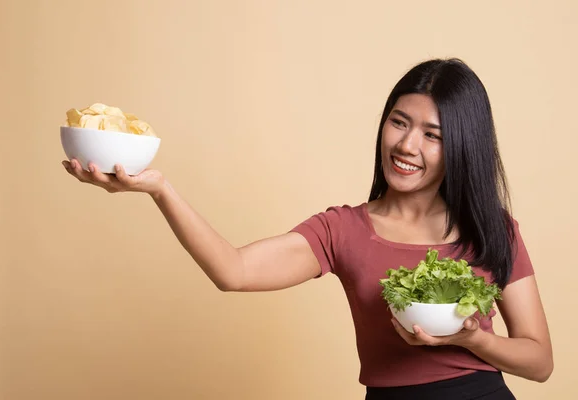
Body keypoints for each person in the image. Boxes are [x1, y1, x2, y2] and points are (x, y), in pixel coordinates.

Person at [61, 58, 553, 399]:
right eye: (399, 122)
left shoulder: (494, 230)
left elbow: (539, 361)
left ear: (462, 146)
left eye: (432, 135)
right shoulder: (343, 230)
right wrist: (160, 189)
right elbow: (233, 270)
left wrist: (472, 340)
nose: (407, 145)